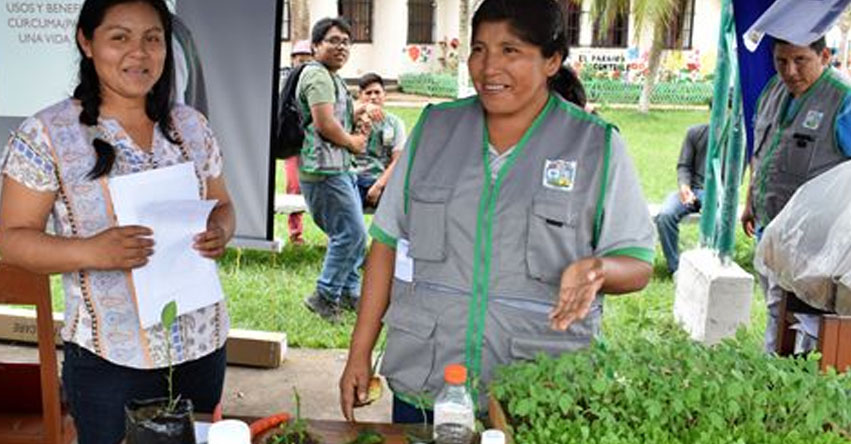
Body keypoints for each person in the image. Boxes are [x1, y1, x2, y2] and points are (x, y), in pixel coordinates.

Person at [339, 0, 655, 423]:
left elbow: (637, 263)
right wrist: (359, 353)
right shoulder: (434, 130)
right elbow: (385, 245)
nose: (489, 68)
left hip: (538, 385)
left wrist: (598, 270)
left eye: (511, 51)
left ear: (551, 61)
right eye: (479, 49)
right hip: (428, 375)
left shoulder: (595, 146)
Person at [0, 1, 235, 442]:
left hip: (203, 344)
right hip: (112, 360)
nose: (139, 53)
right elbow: (10, 241)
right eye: (119, 38)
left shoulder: (191, 125)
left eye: (153, 39)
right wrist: (91, 251)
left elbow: (222, 205)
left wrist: (219, 230)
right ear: (86, 42)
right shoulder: (47, 133)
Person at [742, 36, 851, 354]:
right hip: (772, 229)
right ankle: (777, 370)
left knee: (811, 322)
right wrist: (750, 199)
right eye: (781, 60)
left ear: (825, 56)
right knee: (777, 310)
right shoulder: (772, 90)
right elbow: (760, 149)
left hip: (818, 243)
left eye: (800, 60)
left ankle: (789, 379)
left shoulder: (842, 101)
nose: (790, 71)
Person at [298, 18, 369, 322]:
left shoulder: (331, 76)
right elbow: (325, 124)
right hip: (323, 171)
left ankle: (350, 292)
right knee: (350, 233)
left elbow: (338, 117)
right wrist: (353, 143)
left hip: (337, 168)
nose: (341, 47)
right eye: (333, 40)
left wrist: (360, 119)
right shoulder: (317, 75)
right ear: (316, 47)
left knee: (355, 234)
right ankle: (324, 296)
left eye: (345, 42)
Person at [655, 122, 709, 275]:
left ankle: (707, 267)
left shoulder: (738, 140)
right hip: (692, 189)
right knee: (665, 215)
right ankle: (676, 268)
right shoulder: (695, 132)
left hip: (716, 193)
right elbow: (684, 166)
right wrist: (684, 187)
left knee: (717, 220)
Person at [353, 73, 407, 209]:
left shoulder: (394, 123)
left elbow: (398, 160)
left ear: (384, 95)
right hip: (351, 179)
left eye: (377, 92)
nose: (373, 97)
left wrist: (378, 186)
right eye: (368, 93)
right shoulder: (350, 118)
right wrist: (363, 110)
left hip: (380, 179)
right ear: (360, 95)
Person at [282, 39, 313, 245]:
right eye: (298, 59)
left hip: (314, 144)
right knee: (294, 187)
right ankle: (295, 234)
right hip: (293, 143)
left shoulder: (319, 82)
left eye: (306, 60)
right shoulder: (285, 82)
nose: (301, 64)